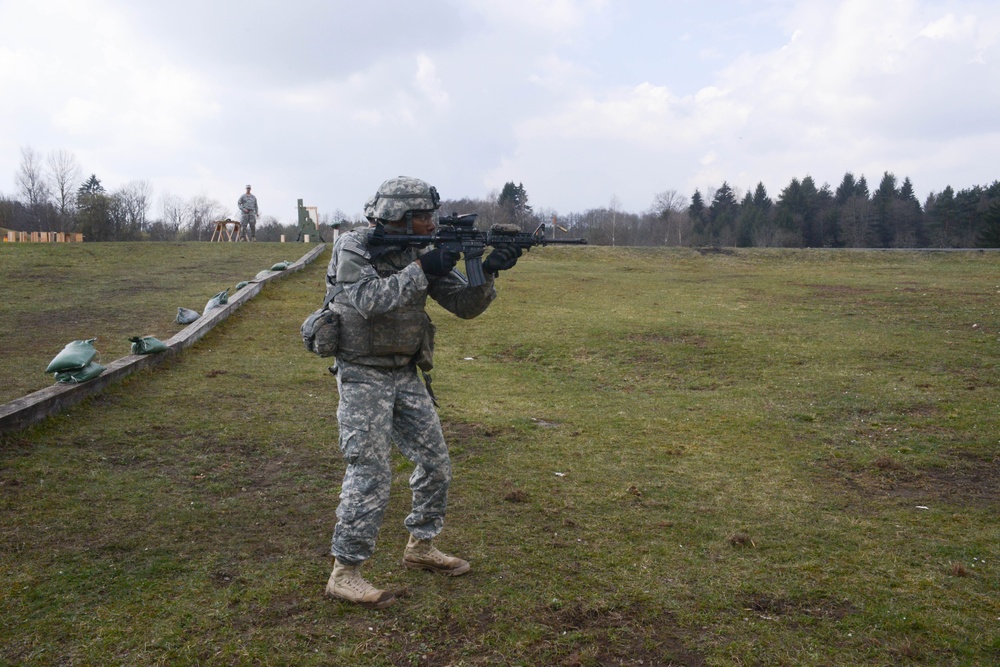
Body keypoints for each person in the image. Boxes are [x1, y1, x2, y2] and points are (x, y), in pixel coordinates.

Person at [323, 176, 521, 608]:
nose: (431, 224)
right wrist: (422, 269)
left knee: (436, 462)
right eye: (422, 217)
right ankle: (345, 571)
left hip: (405, 371)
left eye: (432, 216)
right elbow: (366, 301)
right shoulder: (353, 246)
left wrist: (486, 272)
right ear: (395, 216)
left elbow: (463, 306)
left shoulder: (422, 251)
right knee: (369, 472)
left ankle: (421, 546)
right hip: (362, 373)